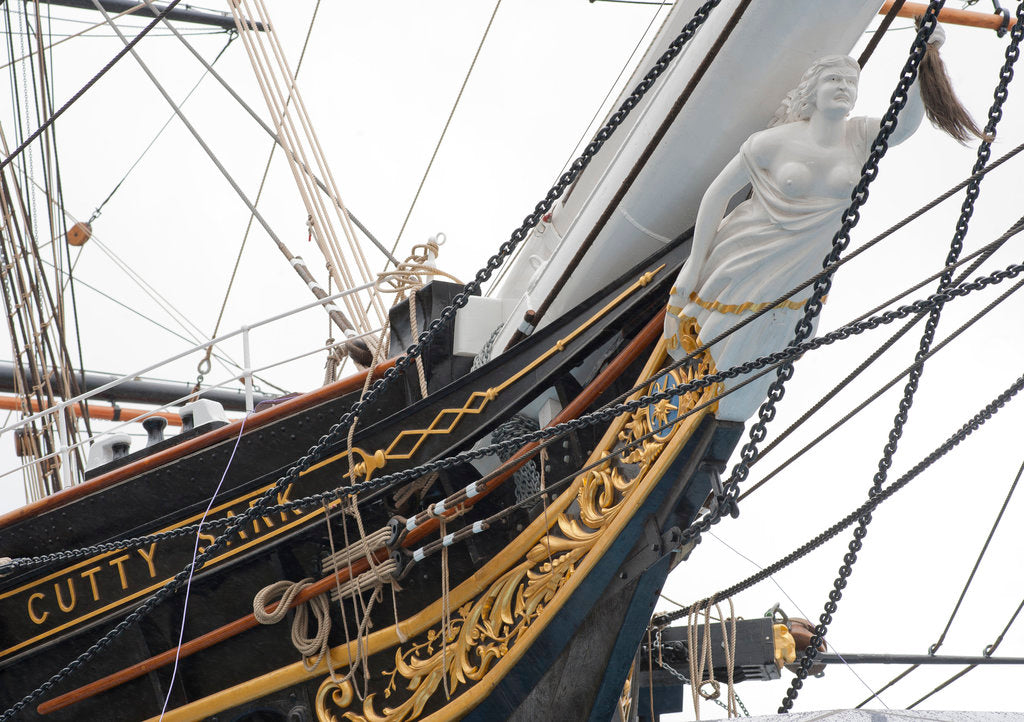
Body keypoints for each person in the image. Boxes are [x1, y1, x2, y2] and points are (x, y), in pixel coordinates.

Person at [662, 32, 944, 422]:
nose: (843, 88)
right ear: (813, 89)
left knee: (769, 348)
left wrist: (923, 62)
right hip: (746, 257)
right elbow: (717, 195)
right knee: (718, 339)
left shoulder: (860, 137)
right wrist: (695, 262)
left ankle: (720, 415)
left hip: (804, 269)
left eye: (850, 83)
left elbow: (904, 126)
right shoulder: (772, 142)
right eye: (834, 81)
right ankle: (694, 408)